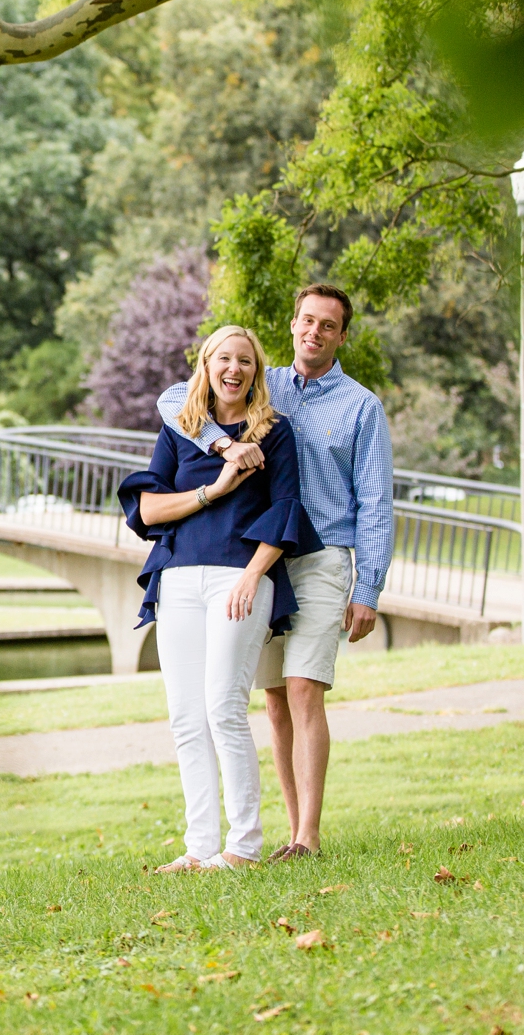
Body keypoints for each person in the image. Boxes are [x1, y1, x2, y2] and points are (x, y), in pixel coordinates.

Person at [156, 283, 392, 862]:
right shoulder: (267, 383)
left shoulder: (362, 406)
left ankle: (306, 838)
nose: (315, 332)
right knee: (272, 697)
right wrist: (220, 445)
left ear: (341, 335)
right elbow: (172, 400)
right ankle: (283, 832)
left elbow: (376, 502)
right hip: (258, 560)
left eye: (328, 325)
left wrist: (369, 587)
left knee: (305, 686)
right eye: (307, 321)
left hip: (320, 558)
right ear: (293, 326)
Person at [118, 325, 320, 872]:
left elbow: (285, 510)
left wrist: (255, 576)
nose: (234, 370)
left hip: (240, 579)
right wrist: (217, 486)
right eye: (224, 359)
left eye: (246, 362)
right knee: (186, 717)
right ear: (206, 366)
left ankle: (243, 846)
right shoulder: (180, 429)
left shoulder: (273, 433)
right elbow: (150, 511)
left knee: (223, 707)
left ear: (257, 372)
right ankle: (199, 846)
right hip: (179, 579)